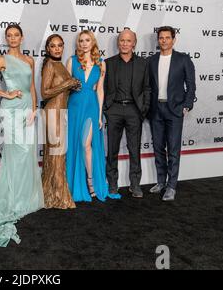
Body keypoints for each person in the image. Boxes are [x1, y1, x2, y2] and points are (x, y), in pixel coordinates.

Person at [0, 24, 44, 247]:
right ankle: (13, 200)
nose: (12, 38)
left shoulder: (29, 60)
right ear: (6, 38)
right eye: (9, 35)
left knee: (26, 154)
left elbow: (32, 87)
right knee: (13, 156)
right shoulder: (2, 60)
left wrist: (35, 109)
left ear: (22, 37)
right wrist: (5, 94)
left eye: (16, 35)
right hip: (11, 110)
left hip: (27, 110)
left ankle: (25, 197)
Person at [66, 30, 120, 202]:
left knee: (86, 144)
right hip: (75, 106)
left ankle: (91, 182)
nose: (84, 43)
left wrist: (99, 116)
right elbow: (66, 88)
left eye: (87, 40)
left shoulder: (101, 64)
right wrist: (65, 112)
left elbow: (101, 90)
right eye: (81, 40)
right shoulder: (72, 61)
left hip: (91, 106)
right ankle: (78, 185)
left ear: (93, 42)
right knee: (76, 145)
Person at [148, 26, 196, 201]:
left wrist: (187, 105)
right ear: (158, 40)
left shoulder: (183, 59)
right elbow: (148, 87)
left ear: (174, 39)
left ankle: (171, 186)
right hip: (156, 110)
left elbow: (191, 85)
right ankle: (161, 181)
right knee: (158, 148)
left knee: (173, 150)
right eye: (161, 38)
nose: (164, 40)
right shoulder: (151, 61)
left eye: (167, 37)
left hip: (174, 110)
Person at [104, 29, 150, 198]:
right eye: (122, 40)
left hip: (134, 110)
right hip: (114, 110)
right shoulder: (108, 63)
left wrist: (143, 109)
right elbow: (103, 88)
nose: (124, 43)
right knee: (112, 149)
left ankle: (135, 184)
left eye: (128, 40)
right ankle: (113, 184)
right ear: (118, 43)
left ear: (134, 43)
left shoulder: (143, 64)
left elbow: (147, 88)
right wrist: (106, 109)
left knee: (134, 149)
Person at [41, 34, 80, 209]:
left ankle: (51, 195)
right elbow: (45, 93)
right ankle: (59, 197)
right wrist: (67, 83)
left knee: (57, 156)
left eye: (60, 46)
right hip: (52, 114)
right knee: (56, 156)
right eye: (53, 46)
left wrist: (72, 86)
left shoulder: (60, 64)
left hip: (61, 113)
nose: (57, 49)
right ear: (47, 49)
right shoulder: (50, 64)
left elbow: (62, 90)